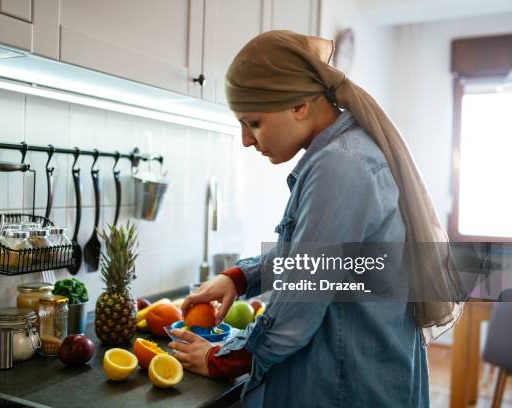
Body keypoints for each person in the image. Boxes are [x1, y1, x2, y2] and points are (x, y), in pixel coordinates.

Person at [168, 30, 462, 407]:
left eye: (253, 123)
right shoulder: (345, 152)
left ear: (300, 106)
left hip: (346, 386)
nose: (245, 139)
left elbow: (297, 308)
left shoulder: (340, 166)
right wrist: (240, 277)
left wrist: (222, 358)